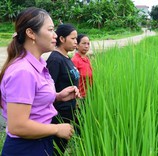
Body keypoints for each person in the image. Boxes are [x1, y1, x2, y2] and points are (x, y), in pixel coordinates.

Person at [0, 7, 80, 156]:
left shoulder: (38, 64)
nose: (55, 35)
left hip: (39, 142)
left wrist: (57, 96)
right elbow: (17, 126)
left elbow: (32, 98)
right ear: (31, 33)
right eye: (50, 30)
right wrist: (57, 129)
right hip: (26, 147)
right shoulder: (23, 71)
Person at [46, 23, 80, 155]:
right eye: (72, 38)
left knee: (62, 148)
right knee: (56, 149)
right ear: (62, 39)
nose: (75, 42)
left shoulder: (66, 57)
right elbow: (49, 90)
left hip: (69, 112)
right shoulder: (55, 60)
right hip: (59, 115)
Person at [71, 34, 93, 101]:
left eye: (88, 44)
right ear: (77, 45)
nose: (86, 46)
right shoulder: (75, 60)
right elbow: (72, 81)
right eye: (83, 43)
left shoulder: (87, 59)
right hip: (80, 97)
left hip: (89, 95)